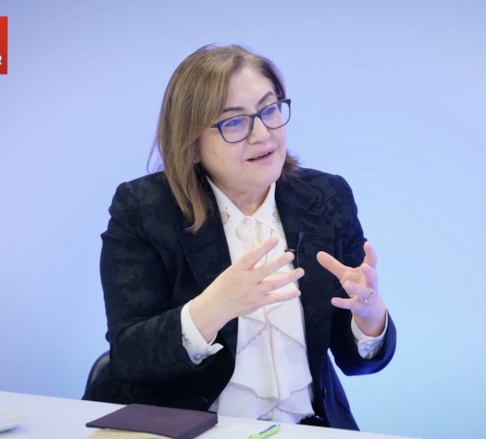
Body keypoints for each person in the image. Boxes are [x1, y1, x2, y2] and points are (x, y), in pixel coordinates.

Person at [83, 44, 397, 431]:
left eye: (269, 110)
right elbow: (130, 357)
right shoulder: (144, 208)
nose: (263, 134)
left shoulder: (326, 198)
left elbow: (356, 362)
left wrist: (369, 315)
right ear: (191, 144)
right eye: (233, 122)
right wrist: (213, 307)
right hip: (195, 430)